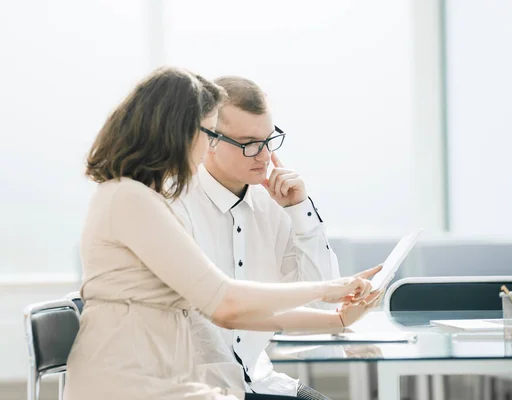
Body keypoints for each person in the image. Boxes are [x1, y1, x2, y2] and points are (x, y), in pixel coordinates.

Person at [64, 66, 381, 400]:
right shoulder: (132, 199)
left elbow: (229, 312)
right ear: (179, 132)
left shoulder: (139, 197)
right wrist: (334, 292)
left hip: (166, 383)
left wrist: (338, 319)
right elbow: (227, 303)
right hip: (134, 386)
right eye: (207, 132)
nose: (204, 147)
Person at [170, 76, 346, 399]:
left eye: (269, 140)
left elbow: (323, 310)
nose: (264, 156)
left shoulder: (277, 205)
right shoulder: (177, 206)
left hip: (260, 381)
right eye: (249, 143)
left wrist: (301, 213)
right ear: (209, 139)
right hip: (195, 389)